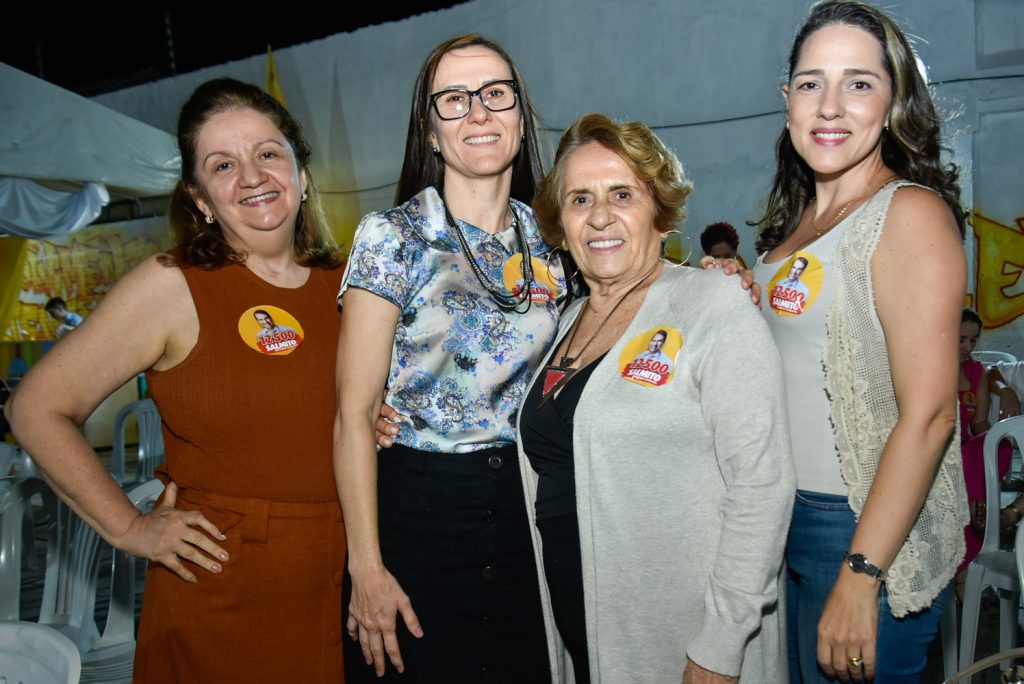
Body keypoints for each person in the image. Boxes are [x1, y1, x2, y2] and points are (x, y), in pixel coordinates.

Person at [5, 78, 347, 683]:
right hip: (226, 587)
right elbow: (35, 407)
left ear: (299, 169)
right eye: (223, 165)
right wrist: (129, 527)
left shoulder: (349, 282)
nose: (252, 176)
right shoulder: (173, 284)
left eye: (268, 153)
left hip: (351, 580)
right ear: (199, 198)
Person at [520, 113, 795, 683]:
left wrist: (719, 649)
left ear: (658, 209)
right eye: (579, 199)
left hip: (684, 645)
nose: (600, 216)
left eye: (622, 194)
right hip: (587, 635)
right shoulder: (565, 321)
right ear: (560, 224)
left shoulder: (712, 304)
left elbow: (762, 487)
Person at [751, 2, 969, 681]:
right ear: (787, 99)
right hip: (779, 518)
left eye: (859, 83)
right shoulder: (794, 227)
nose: (830, 106)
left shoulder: (908, 213)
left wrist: (861, 573)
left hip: (855, 527)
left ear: (894, 101)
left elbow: (931, 415)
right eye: (811, 83)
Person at [334, 35, 557, 683]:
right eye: (454, 100)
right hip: (419, 516)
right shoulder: (391, 237)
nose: (479, 112)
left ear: (521, 117)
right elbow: (353, 416)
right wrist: (366, 567)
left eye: (496, 94)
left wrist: (715, 281)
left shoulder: (557, 238)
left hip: (530, 515)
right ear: (430, 132)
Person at [956, 308, 1016, 586]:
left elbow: (979, 423)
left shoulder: (976, 371)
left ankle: (977, 510)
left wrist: (991, 438)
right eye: (961, 339)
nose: (968, 347)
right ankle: (978, 515)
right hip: (939, 450)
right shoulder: (931, 368)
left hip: (965, 447)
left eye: (973, 340)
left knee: (1000, 445)